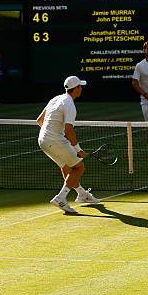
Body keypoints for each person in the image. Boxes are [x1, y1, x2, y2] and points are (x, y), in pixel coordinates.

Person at [36, 76, 100, 213]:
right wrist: (78, 150)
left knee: (67, 168)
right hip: (54, 140)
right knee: (79, 167)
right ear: (76, 89)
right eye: (80, 86)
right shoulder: (69, 104)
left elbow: (39, 120)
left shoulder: (56, 99)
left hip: (42, 140)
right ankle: (61, 198)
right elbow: (69, 129)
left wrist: (50, 134)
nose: (81, 89)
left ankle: (82, 194)